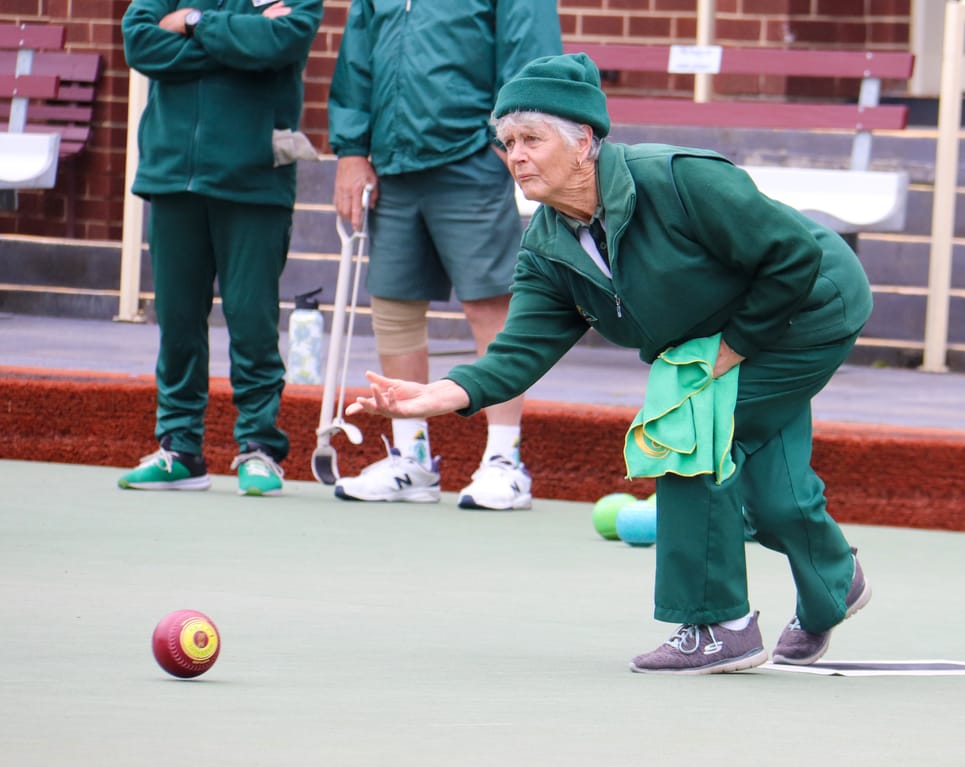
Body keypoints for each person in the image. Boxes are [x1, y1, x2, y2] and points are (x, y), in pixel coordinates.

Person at [344, 52, 875, 674]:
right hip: (723, 336)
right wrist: (444, 393)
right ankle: (834, 583)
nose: (516, 156)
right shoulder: (547, 247)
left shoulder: (679, 179)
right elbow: (520, 351)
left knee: (686, 430)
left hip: (807, 312)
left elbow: (789, 256)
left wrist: (736, 346)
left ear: (586, 142)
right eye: (506, 142)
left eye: (532, 140)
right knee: (775, 495)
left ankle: (718, 625)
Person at [326, 0, 562, 510]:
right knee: (394, 302)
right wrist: (351, 150)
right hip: (391, 162)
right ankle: (410, 459)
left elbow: (529, 52)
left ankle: (505, 462)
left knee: (489, 303)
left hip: (473, 157)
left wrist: (513, 141)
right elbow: (356, 60)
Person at [118, 0, 323, 496]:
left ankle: (259, 448)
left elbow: (282, 43)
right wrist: (239, 42)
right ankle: (180, 449)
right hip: (171, 177)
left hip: (254, 180)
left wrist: (191, 25)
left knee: (252, 319)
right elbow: (140, 43)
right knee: (178, 320)